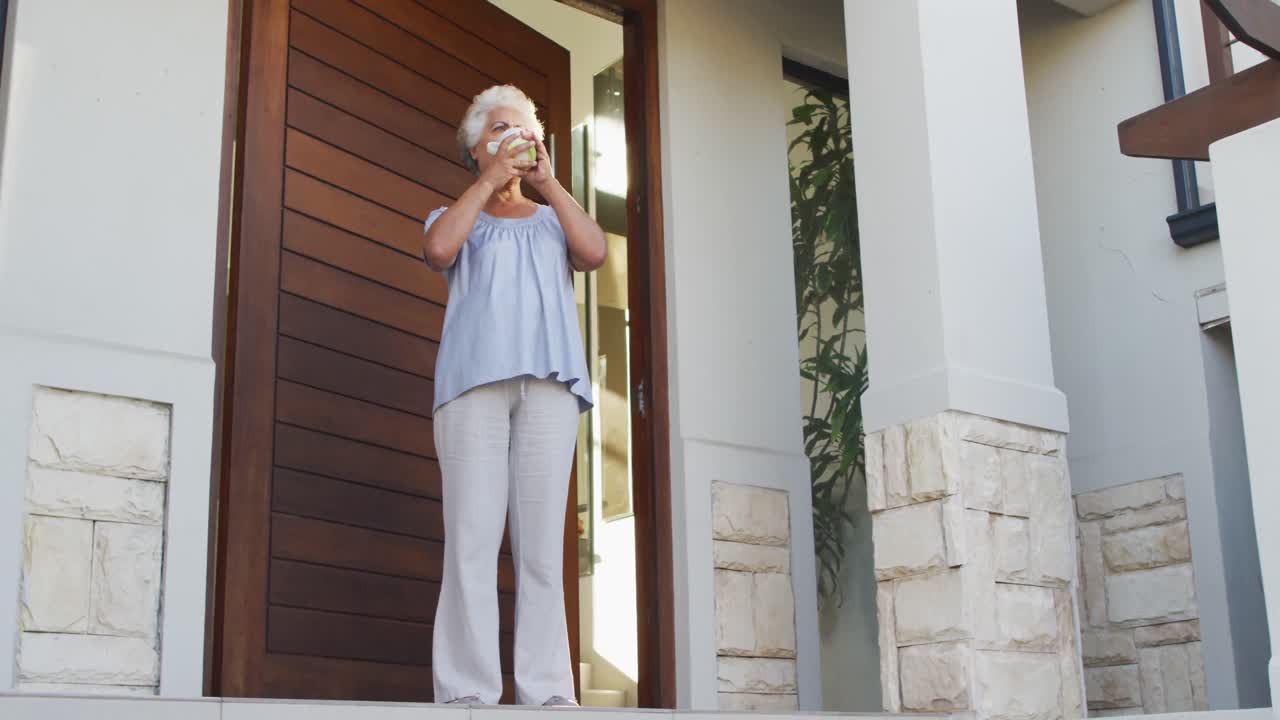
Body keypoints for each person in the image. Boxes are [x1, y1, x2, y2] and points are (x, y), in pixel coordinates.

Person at [422, 84, 606, 707]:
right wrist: (489, 182)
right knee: (471, 540)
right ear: (475, 149)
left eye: (521, 127)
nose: (511, 136)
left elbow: (595, 252)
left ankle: (549, 691)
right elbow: (438, 248)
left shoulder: (555, 218)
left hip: (550, 389)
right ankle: (466, 691)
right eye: (496, 129)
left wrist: (549, 183)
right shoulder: (459, 218)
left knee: (540, 546)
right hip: (473, 388)